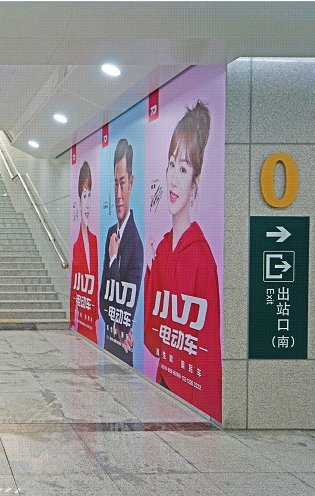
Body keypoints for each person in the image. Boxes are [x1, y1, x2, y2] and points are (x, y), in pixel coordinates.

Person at [144, 101, 221, 421]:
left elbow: (208, 353)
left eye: (184, 169)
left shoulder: (202, 258)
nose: (173, 179)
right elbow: (152, 338)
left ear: (195, 183)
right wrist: (151, 271)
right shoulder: (161, 249)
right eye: (171, 164)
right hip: (164, 381)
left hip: (191, 398)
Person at [99, 138, 144, 366]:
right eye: (115, 183)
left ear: (131, 183)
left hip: (124, 350)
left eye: (123, 183)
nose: (118, 193)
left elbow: (126, 304)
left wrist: (114, 258)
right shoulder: (111, 234)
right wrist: (114, 322)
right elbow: (103, 300)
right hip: (109, 341)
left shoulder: (136, 245)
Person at [70, 161, 99, 343]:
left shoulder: (96, 242)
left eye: (90, 195)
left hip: (94, 323)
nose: (87, 203)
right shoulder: (76, 246)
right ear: (79, 200)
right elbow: (74, 288)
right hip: (81, 322)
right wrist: (71, 318)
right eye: (84, 196)